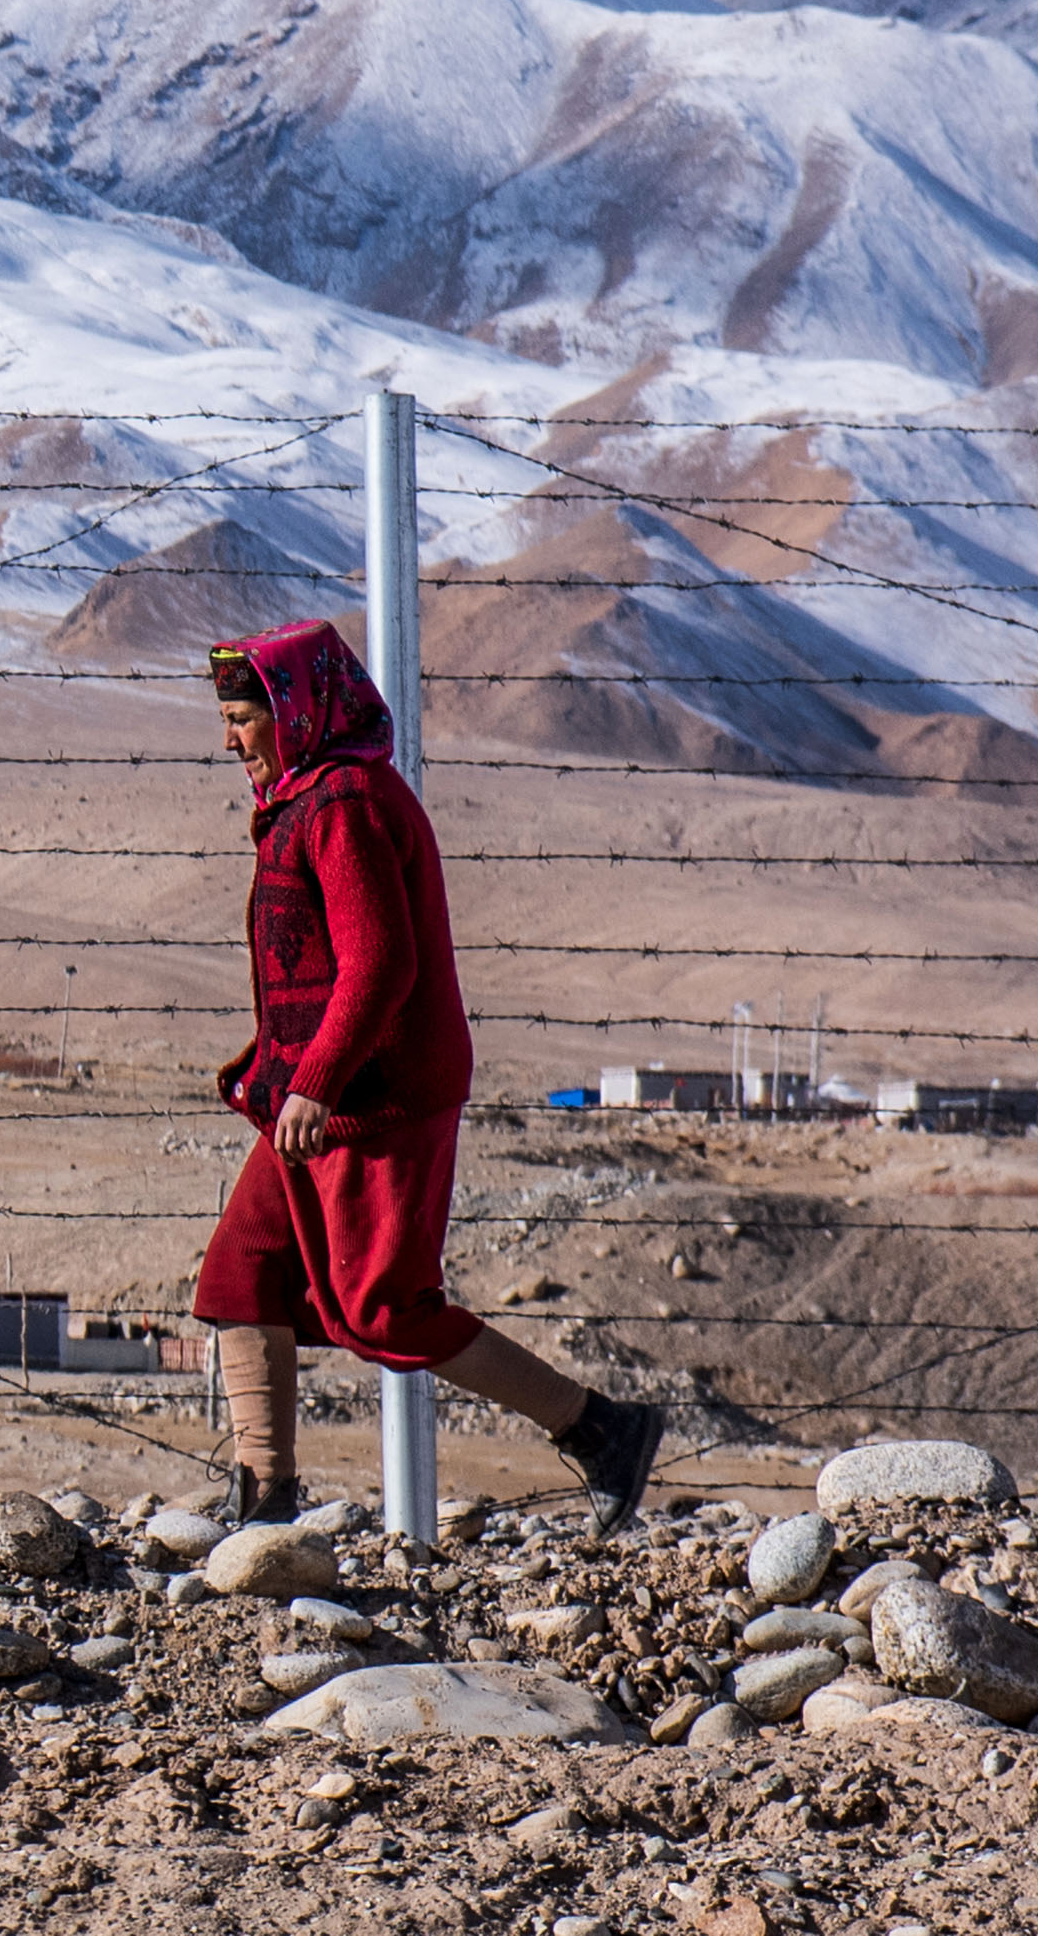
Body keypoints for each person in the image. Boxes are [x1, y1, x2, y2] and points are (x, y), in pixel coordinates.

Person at [188, 617, 664, 1533]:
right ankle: (262, 1506)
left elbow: (378, 967)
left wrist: (316, 1080)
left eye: (244, 716)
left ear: (294, 712)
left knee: (386, 1309)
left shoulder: (344, 807)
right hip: (314, 1103)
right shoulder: (310, 798)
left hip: (375, 1100)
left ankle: (600, 1430)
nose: (229, 739)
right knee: (241, 1276)